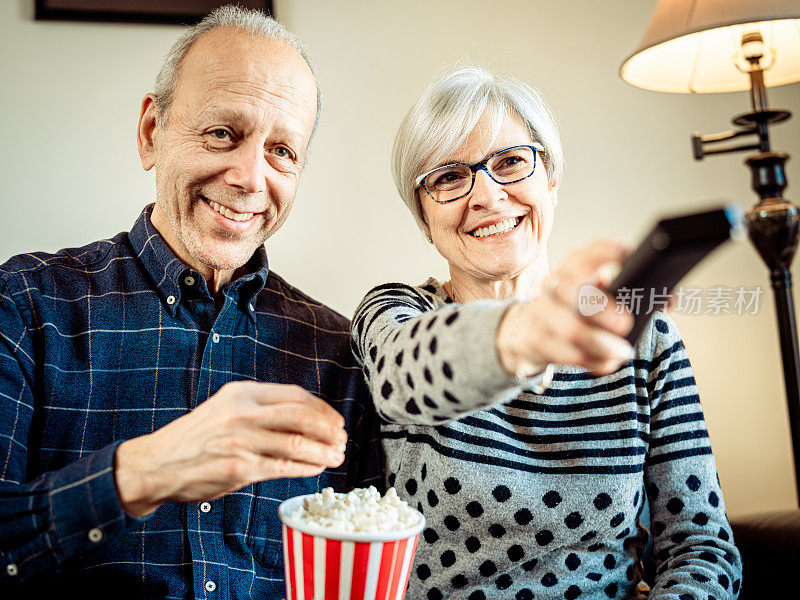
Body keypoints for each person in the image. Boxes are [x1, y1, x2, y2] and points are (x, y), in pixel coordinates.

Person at [0, 6, 380, 598]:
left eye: (283, 151)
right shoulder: (26, 305)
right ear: (152, 132)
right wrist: (142, 473)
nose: (252, 178)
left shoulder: (340, 353)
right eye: (223, 133)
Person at [351, 65, 742, 600]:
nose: (487, 196)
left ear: (551, 181)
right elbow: (400, 377)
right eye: (447, 177)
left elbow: (701, 548)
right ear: (423, 219)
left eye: (511, 162)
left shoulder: (645, 336)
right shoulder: (396, 315)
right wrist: (522, 336)